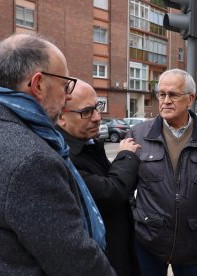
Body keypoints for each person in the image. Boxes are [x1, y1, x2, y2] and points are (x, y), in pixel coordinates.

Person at [0, 34, 115, 275]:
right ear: (38, 85)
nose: (68, 95)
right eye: (65, 85)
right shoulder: (33, 161)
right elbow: (77, 263)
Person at [130, 68, 197, 276]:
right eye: (162, 94)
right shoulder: (138, 134)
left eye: (173, 95)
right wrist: (135, 224)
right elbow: (125, 188)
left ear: (190, 99)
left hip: (195, 243)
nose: (166, 100)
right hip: (149, 241)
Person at [56, 80, 141, 276]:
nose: (97, 117)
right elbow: (112, 192)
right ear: (61, 116)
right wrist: (126, 156)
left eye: (97, 107)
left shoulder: (89, 144)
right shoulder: (64, 157)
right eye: (86, 111)